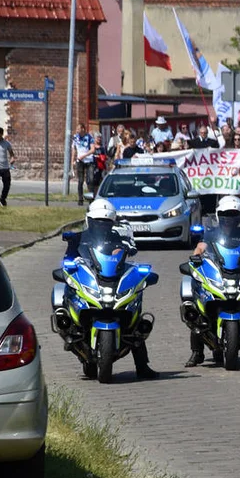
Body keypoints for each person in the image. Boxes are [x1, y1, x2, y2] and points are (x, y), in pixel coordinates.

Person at [73, 199, 159, 378]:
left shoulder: (118, 237)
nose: (102, 226)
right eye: (98, 222)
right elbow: (72, 256)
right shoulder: (81, 237)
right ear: (90, 220)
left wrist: (123, 250)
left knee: (135, 320)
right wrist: (71, 267)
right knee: (66, 297)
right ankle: (74, 334)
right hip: (92, 277)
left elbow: (130, 249)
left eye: (106, 223)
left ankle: (142, 366)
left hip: (112, 277)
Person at [186, 196, 240, 368]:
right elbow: (201, 247)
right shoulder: (211, 233)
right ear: (219, 216)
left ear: (239, 218)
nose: (228, 220)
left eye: (233, 216)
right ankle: (196, 352)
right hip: (217, 272)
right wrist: (196, 256)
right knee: (196, 309)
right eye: (225, 216)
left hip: (237, 272)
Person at [72, 123, 96, 205]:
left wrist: (84, 155)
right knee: (80, 180)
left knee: (90, 180)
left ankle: (91, 199)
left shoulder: (89, 137)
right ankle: (80, 199)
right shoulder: (75, 137)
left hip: (89, 160)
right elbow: (74, 149)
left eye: (78, 129)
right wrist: (73, 160)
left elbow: (93, 150)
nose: (77, 131)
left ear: (83, 129)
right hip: (80, 161)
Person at [0, 127, 14, 206]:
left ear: (1, 134)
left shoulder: (7, 143)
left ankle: (3, 199)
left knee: (7, 185)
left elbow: (12, 154)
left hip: (5, 168)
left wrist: (12, 159)